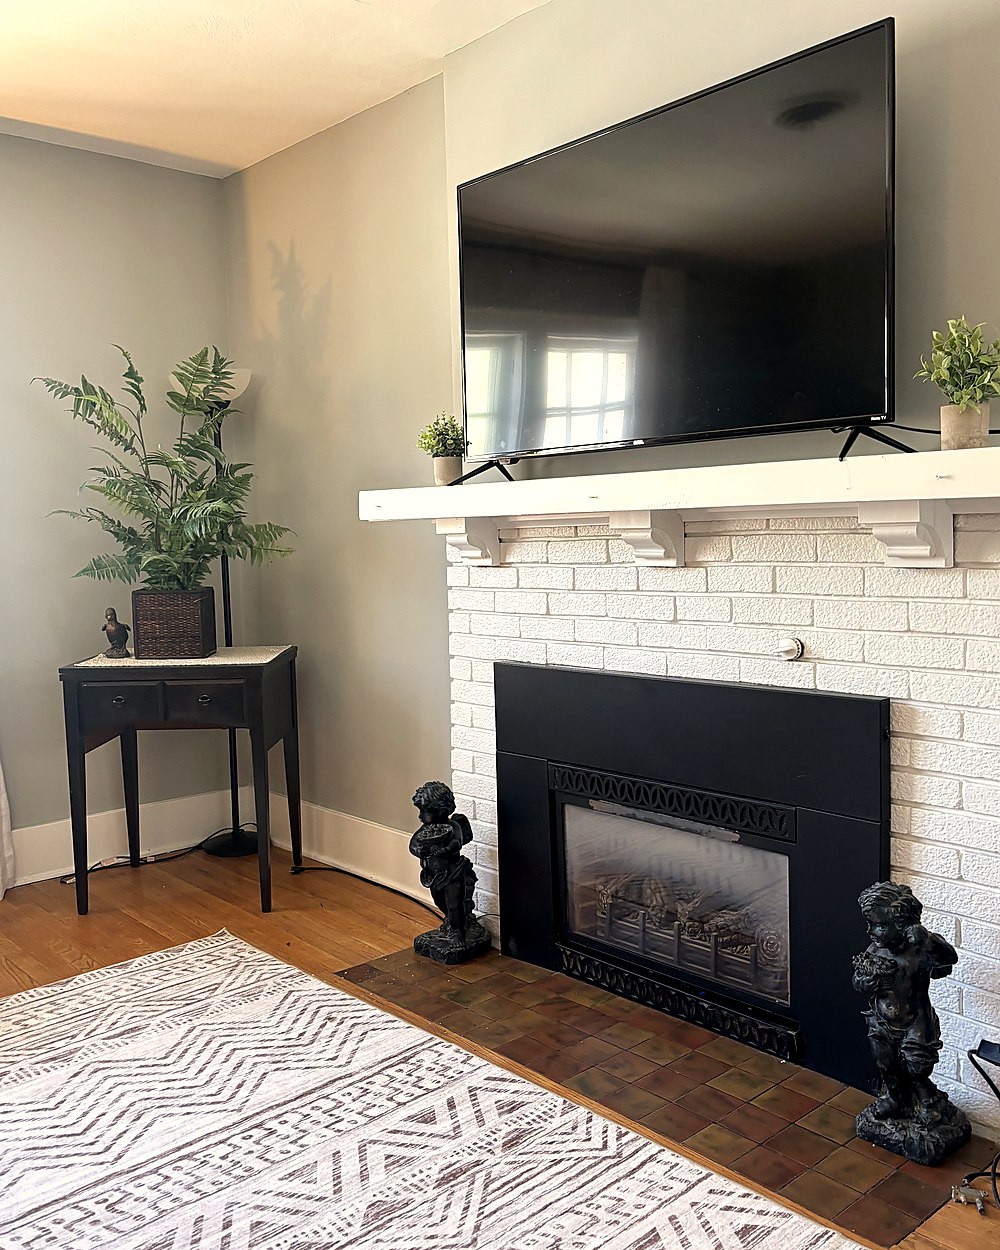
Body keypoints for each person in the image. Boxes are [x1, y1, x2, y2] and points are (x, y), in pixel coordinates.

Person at [853, 881, 958, 1126]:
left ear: (902, 926)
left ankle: (927, 1099)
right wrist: (865, 982)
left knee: (918, 1068)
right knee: (886, 1064)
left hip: (915, 1021)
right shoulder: (875, 952)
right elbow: (858, 979)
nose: (870, 931)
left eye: (878, 925)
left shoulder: (919, 950)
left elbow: (949, 957)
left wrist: (929, 939)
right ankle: (894, 1098)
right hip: (880, 1022)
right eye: (869, 923)